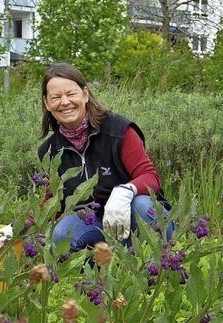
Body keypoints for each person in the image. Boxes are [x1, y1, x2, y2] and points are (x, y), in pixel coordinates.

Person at [37, 62, 172, 251]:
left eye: (71, 94)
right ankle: (101, 273)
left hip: (135, 216)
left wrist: (125, 191)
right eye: (56, 97)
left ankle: (158, 261)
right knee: (61, 234)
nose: (65, 102)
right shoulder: (49, 150)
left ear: (85, 94)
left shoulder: (118, 130)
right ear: (47, 103)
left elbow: (151, 177)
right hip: (95, 223)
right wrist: (20, 227)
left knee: (142, 205)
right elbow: (54, 201)